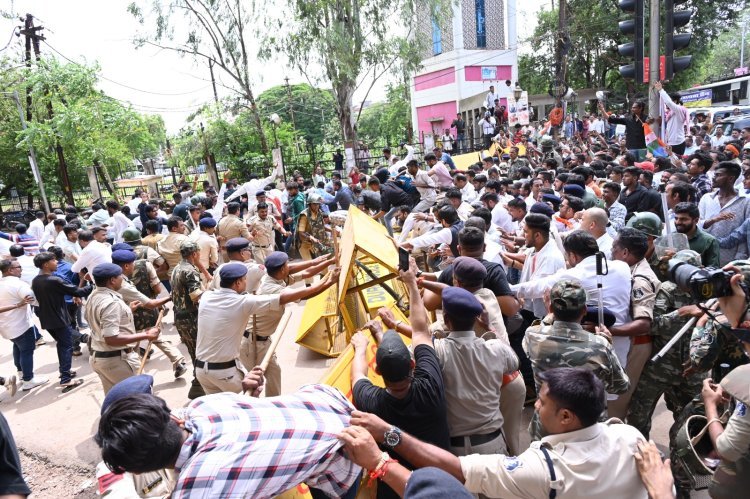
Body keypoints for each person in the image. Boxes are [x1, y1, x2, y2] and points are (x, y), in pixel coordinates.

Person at [340, 367, 648, 498]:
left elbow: (457, 471)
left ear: (566, 416)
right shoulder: (630, 437)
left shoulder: (544, 471)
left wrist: (388, 436)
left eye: (541, 401)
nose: (536, 406)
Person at [95, 382, 362, 498]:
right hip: (328, 405)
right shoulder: (203, 404)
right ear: (174, 419)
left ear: (136, 470)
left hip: (342, 461)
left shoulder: (199, 488)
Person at [350, 258, 450, 499]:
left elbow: (358, 376)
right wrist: (412, 284)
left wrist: (362, 347)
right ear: (413, 364)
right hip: (440, 483)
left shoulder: (372, 402)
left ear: (380, 372)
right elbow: (420, 330)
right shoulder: (430, 385)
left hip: (395, 488)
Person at [523, 280, 629, 440]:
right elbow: (620, 387)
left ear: (550, 308)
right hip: (585, 430)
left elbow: (539, 331)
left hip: (545, 427)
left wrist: (548, 315)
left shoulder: (533, 335)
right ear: (585, 310)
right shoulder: (600, 346)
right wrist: (608, 344)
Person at [244, 252, 335, 396]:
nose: (289, 267)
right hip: (252, 342)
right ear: (281, 270)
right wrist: (330, 280)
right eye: (286, 265)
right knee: (252, 384)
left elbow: (304, 272)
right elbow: (306, 293)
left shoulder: (273, 276)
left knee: (273, 373)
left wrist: (323, 262)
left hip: (263, 339)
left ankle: (273, 403)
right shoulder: (272, 289)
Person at [85, 263, 160, 394]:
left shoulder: (94, 295)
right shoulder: (111, 303)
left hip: (101, 358)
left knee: (119, 403)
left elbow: (98, 320)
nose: (123, 278)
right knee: (141, 399)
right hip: (117, 361)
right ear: (112, 280)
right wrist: (146, 335)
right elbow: (111, 338)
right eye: (120, 276)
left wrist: (127, 310)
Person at [109, 249, 184, 378]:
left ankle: (141, 374)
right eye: (132, 263)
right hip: (144, 311)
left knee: (143, 341)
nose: (134, 265)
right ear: (126, 265)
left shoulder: (109, 275)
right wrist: (169, 297)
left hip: (133, 316)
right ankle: (176, 361)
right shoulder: (141, 267)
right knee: (151, 338)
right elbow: (156, 291)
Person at [32, 251, 93, 390]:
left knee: (62, 344)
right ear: (46, 264)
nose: (57, 263)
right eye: (54, 261)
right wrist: (92, 283)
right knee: (66, 346)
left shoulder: (36, 280)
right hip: (58, 319)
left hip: (47, 319)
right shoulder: (53, 280)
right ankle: (65, 379)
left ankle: (65, 372)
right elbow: (78, 292)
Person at [0, 259, 45, 392]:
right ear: (10, 270)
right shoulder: (18, 284)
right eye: (18, 267)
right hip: (21, 325)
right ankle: (28, 380)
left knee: (18, 347)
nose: (21, 269)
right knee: (26, 351)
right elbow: (32, 299)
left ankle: (21, 373)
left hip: (7, 327)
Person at [170, 241, 205, 399]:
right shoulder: (189, 271)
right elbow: (197, 297)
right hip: (191, 317)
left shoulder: (177, 268)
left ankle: (198, 386)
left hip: (179, 316)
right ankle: (198, 386)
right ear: (194, 254)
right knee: (200, 352)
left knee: (194, 352)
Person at [698, 161, 750, 265]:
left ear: (730, 178)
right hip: (705, 254)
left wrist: (739, 259)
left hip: (731, 258)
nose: (713, 178)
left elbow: (745, 233)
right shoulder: (706, 198)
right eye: (714, 174)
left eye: (718, 175)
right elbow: (698, 224)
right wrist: (713, 219)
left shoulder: (745, 201)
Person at [295, 194, 332, 284]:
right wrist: (311, 238)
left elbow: (322, 226)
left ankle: (322, 283)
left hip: (317, 243)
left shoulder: (319, 213)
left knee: (323, 262)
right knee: (309, 265)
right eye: (314, 204)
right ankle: (309, 287)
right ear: (310, 204)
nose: (316, 206)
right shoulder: (304, 215)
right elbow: (301, 232)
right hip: (304, 244)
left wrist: (332, 230)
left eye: (318, 204)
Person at [673, 202, 721, 267]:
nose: (678, 222)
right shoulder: (670, 238)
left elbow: (714, 270)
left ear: (696, 220)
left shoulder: (709, 242)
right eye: (676, 218)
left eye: (683, 219)